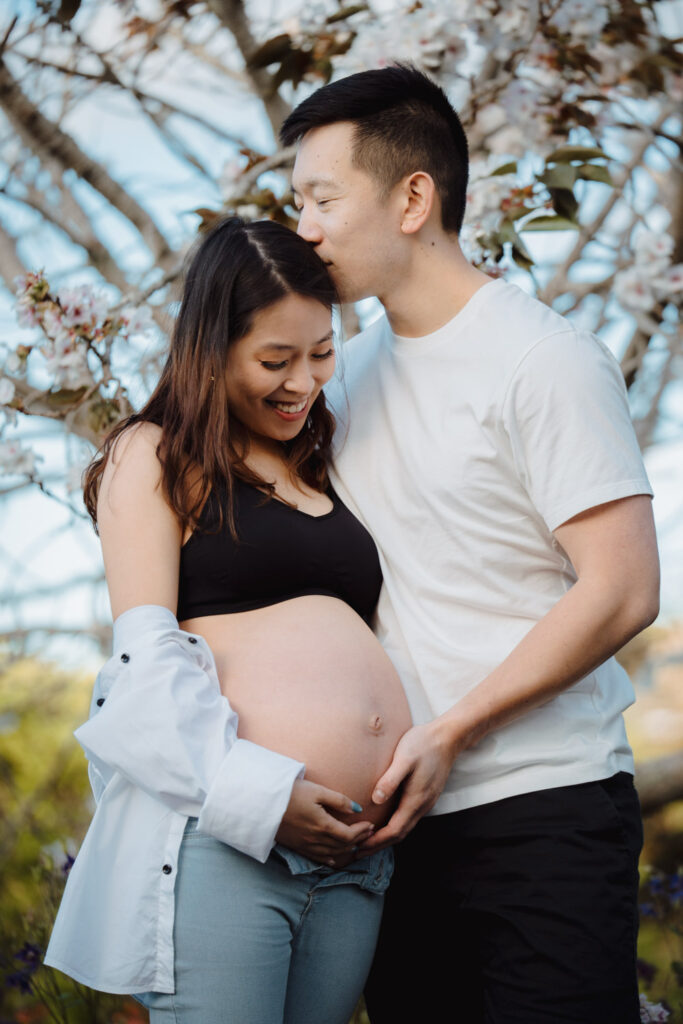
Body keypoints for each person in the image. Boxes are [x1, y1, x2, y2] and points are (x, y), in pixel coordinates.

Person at [280, 64, 660, 1024]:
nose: (304, 229)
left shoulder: (545, 361)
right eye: (296, 203)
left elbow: (621, 590)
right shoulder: (339, 382)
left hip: (545, 811)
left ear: (413, 197)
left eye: (321, 198)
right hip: (391, 834)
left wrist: (453, 729)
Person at [44, 216, 412, 1024]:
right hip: (232, 845)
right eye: (274, 360)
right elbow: (142, 673)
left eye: (320, 353)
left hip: (354, 859)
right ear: (209, 349)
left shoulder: (319, 461)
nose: (302, 382)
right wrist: (265, 797)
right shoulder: (156, 454)